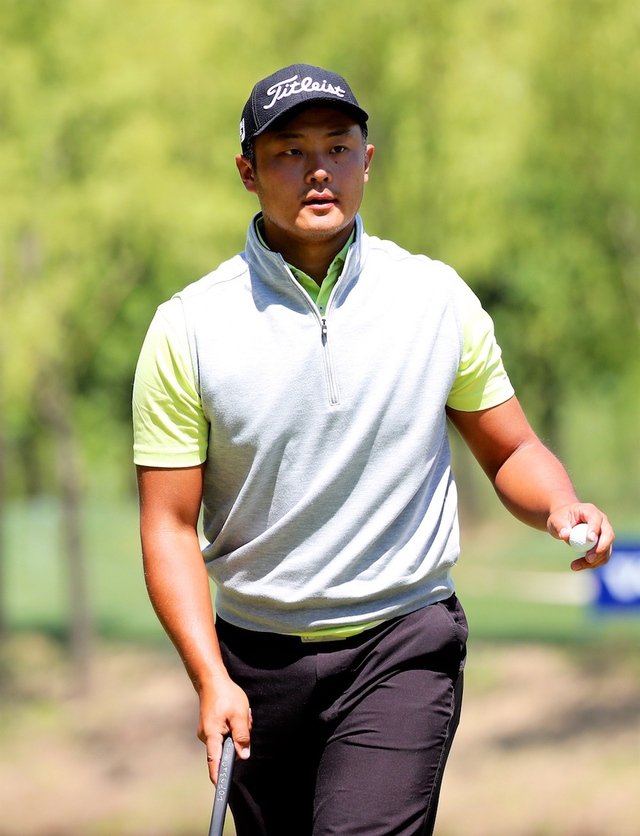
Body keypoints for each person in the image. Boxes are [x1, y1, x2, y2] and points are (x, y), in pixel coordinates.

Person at [132, 64, 614, 836]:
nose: (318, 169)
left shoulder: (435, 299)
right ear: (248, 172)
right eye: (290, 152)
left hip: (401, 642)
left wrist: (560, 505)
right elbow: (167, 526)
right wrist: (209, 675)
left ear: (368, 159)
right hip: (256, 661)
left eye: (338, 146)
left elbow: (510, 450)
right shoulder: (189, 327)